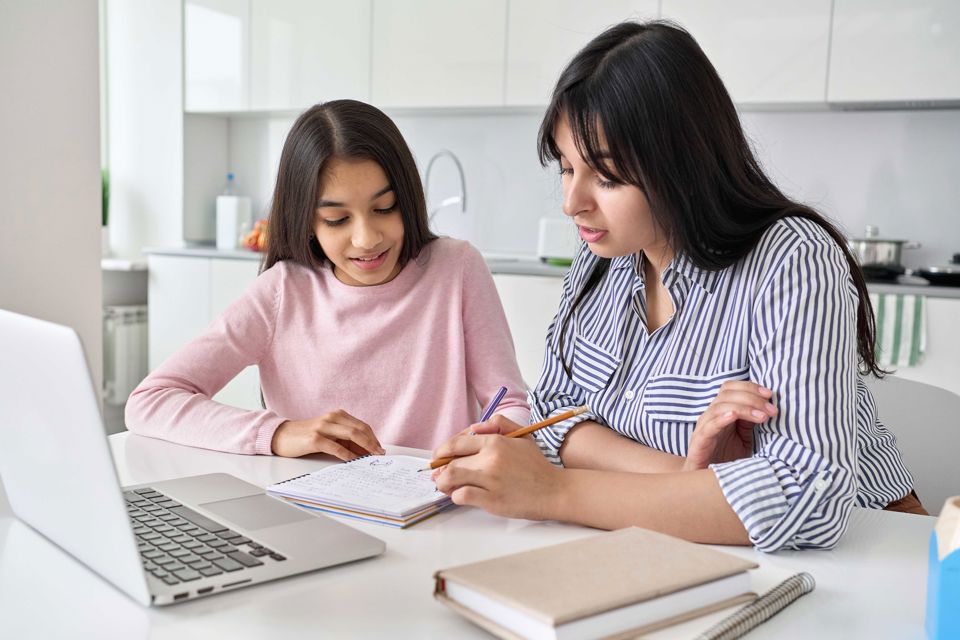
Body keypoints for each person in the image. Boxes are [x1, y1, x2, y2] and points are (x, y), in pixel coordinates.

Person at [431, 21, 925, 552]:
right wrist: (685, 478)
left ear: (681, 164)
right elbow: (554, 420)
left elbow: (808, 497)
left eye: (607, 177)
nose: (572, 203)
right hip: (679, 546)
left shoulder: (793, 261)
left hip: (869, 558)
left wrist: (555, 491)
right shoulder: (606, 255)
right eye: (567, 169)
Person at [126, 100, 528, 459]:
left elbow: (509, 403)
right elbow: (150, 401)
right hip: (310, 508)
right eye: (337, 219)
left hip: (435, 507)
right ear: (307, 222)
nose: (367, 238)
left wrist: (504, 437)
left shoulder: (456, 269)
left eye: (385, 208)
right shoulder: (283, 291)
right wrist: (279, 432)